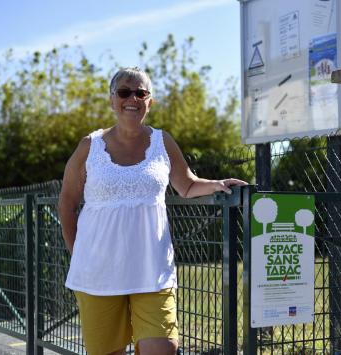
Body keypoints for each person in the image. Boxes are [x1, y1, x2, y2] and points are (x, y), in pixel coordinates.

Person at [58, 67, 247, 355]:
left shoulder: (163, 141)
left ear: (150, 100)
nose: (132, 98)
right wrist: (78, 254)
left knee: (163, 348)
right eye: (124, 92)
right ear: (112, 100)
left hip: (152, 271)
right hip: (97, 275)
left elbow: (187, 185)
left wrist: (218, 184)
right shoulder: (89, 146)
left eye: (140, 92)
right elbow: (67, 204)